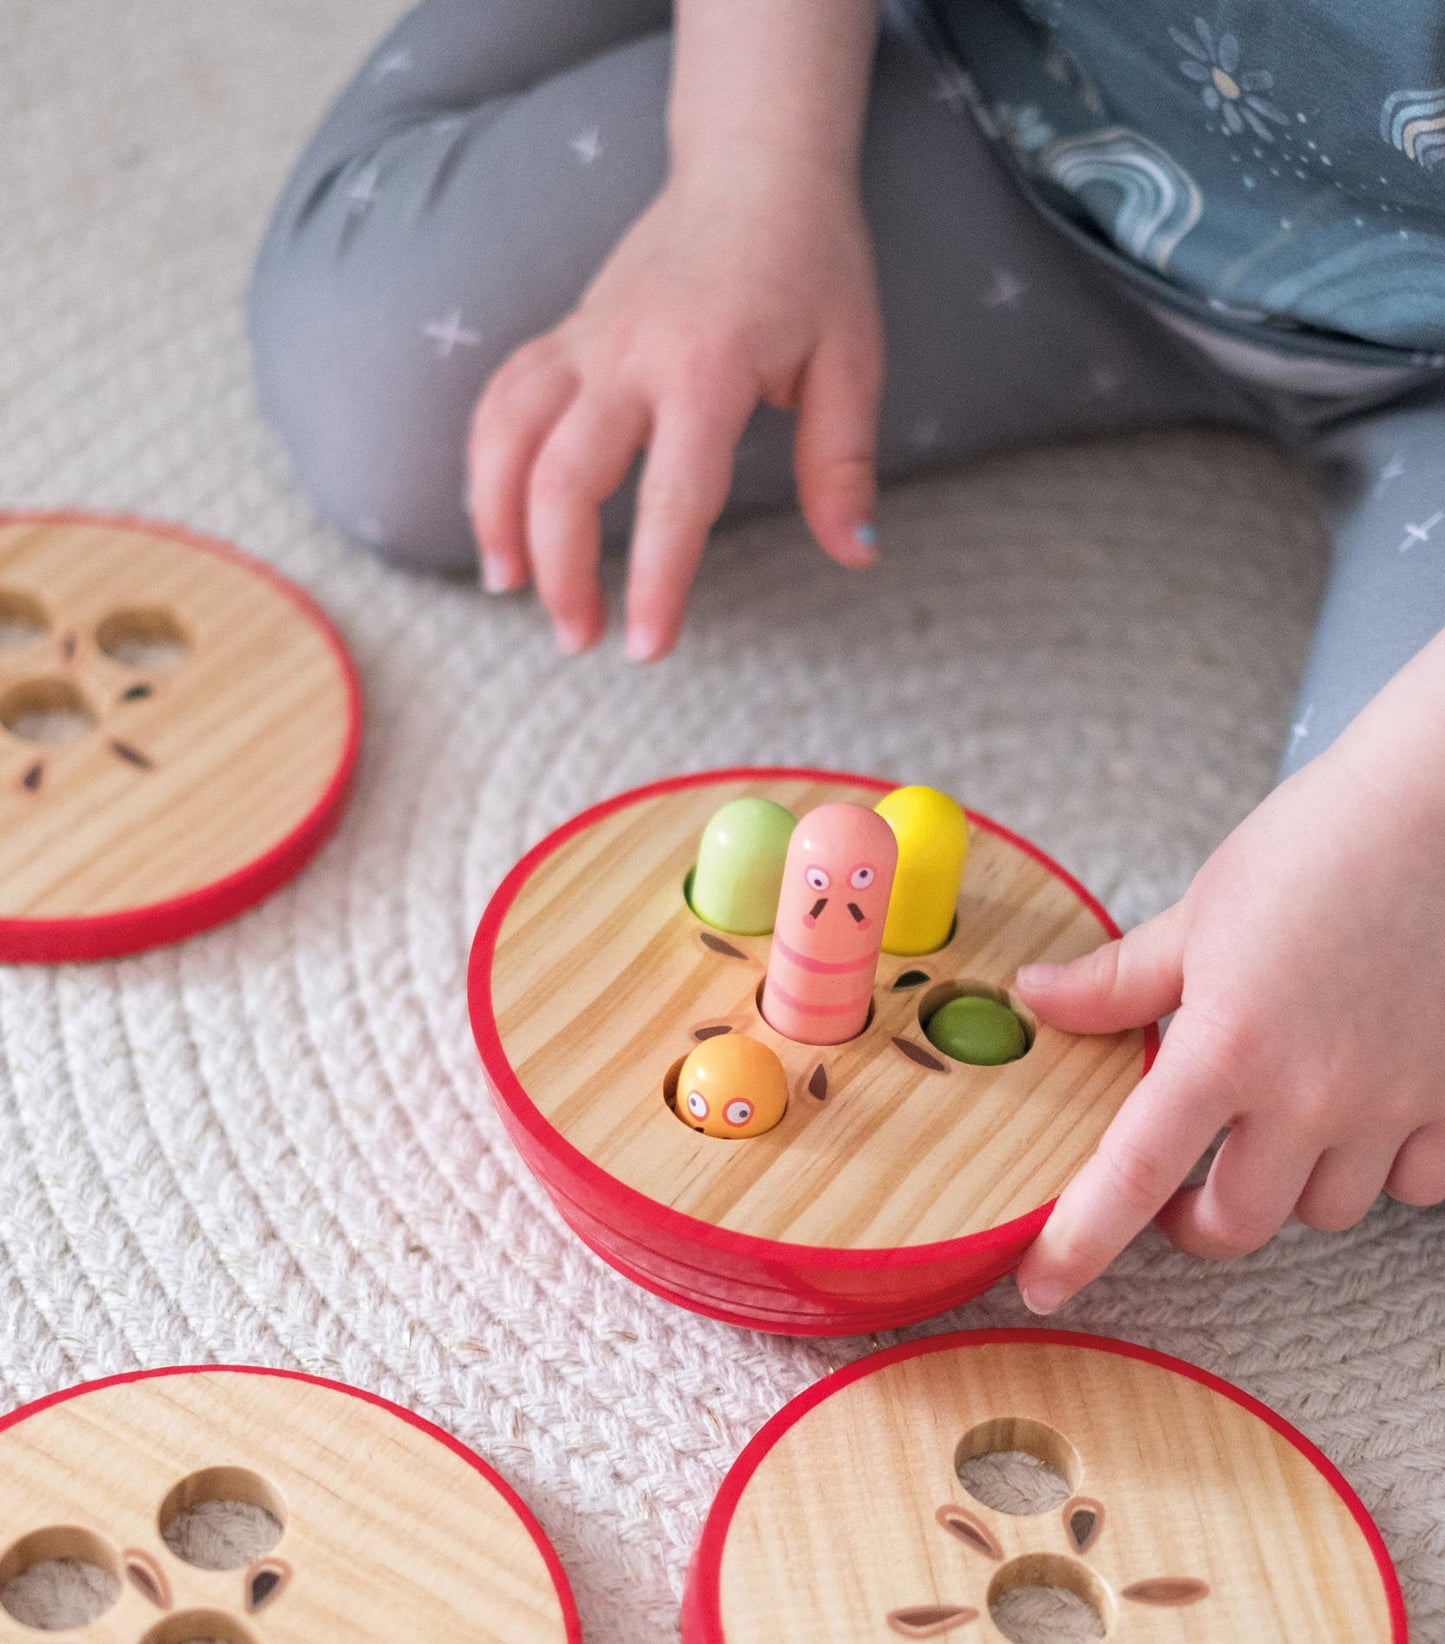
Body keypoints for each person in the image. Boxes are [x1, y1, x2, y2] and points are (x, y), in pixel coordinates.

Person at [249, 0, 1445, 1310]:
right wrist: (747, 169)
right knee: (390, 387)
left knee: (1371, 1060)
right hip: (1003, 99)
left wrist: (1409, 813)